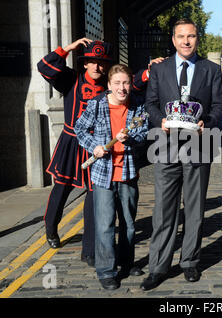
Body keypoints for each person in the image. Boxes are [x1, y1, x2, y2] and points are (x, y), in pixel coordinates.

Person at [37, 38, 159, 267]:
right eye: (92, 62)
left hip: (103, 146)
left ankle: (90, 250)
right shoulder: (70, 78)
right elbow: (44, 67)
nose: (97, 67)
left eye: (101, 63)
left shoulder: (108, 84)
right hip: (73, 141)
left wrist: (148, 72)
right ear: (84, 63)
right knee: (62, 187)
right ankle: (51, 229)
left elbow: (130, 84)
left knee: (94, 195)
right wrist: (68, 49)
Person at [142, 18, 222, 291]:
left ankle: (190, 261)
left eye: (191, 36)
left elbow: (220, 105)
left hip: (199, 144)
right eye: (181, 36)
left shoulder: (211, 69)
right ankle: (158, 266)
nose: (186, 41)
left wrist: (210, 122)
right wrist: (160, 121)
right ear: (173, 39)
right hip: (165, 144)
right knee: (163, 210)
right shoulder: (160, 69)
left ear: (197, 39)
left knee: (194, 208)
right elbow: (150, 103)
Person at [74, 64, 148, 290]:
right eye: (117, 83)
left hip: (127, 173)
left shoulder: (137, 106)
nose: (122, 88)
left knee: (128, 224)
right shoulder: (96, 105)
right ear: (109, 85)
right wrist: (94, 146)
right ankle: (106, 270)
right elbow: (79, 129)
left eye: (125, 82)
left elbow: (144, 133)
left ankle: (126, 263)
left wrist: (131, 139)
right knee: (105, 225)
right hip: (103, 173)